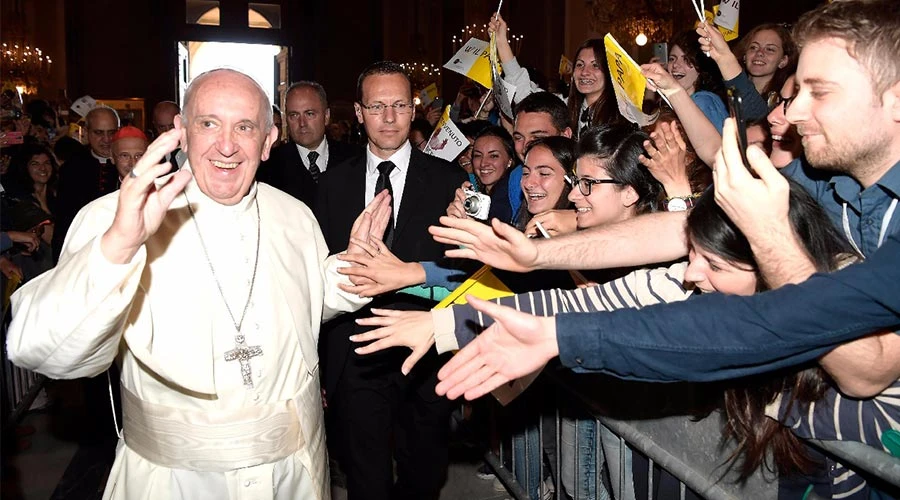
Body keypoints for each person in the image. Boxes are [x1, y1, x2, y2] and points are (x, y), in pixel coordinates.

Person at [6, 68, 392, 500]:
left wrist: (351, 269)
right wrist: (118, 247)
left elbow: (309, 301)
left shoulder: (295, 215)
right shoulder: (113, 218)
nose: (226, 145)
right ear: (181, 132)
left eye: (244, 127)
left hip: (294, 474)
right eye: (209, 123)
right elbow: (37, 348)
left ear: (268, 141)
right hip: (175, 481)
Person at [314, 61, 468, 500]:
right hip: (358, 350)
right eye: (377, 106)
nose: (388, 117)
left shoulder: (449, 181)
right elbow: (319, 274)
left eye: (399, 104)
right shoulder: (331, 185)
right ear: (359, 113)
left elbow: (465, 275)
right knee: (367, 479)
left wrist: (406, 279)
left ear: (413, 109)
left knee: (424, 474)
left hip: (429, 351)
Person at [257, 81, 361, 208]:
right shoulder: (268, 167)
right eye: (294, 115)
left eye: (310, 114)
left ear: (326, 116)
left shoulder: (355, 159)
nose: (302, 123)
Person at [51, 105, 120, 263]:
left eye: (111, 132)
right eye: (99, 133)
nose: (107, 140)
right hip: (82, 251)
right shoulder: (72, 168)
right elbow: (64, 221)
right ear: (87, 132)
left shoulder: (131, 163)